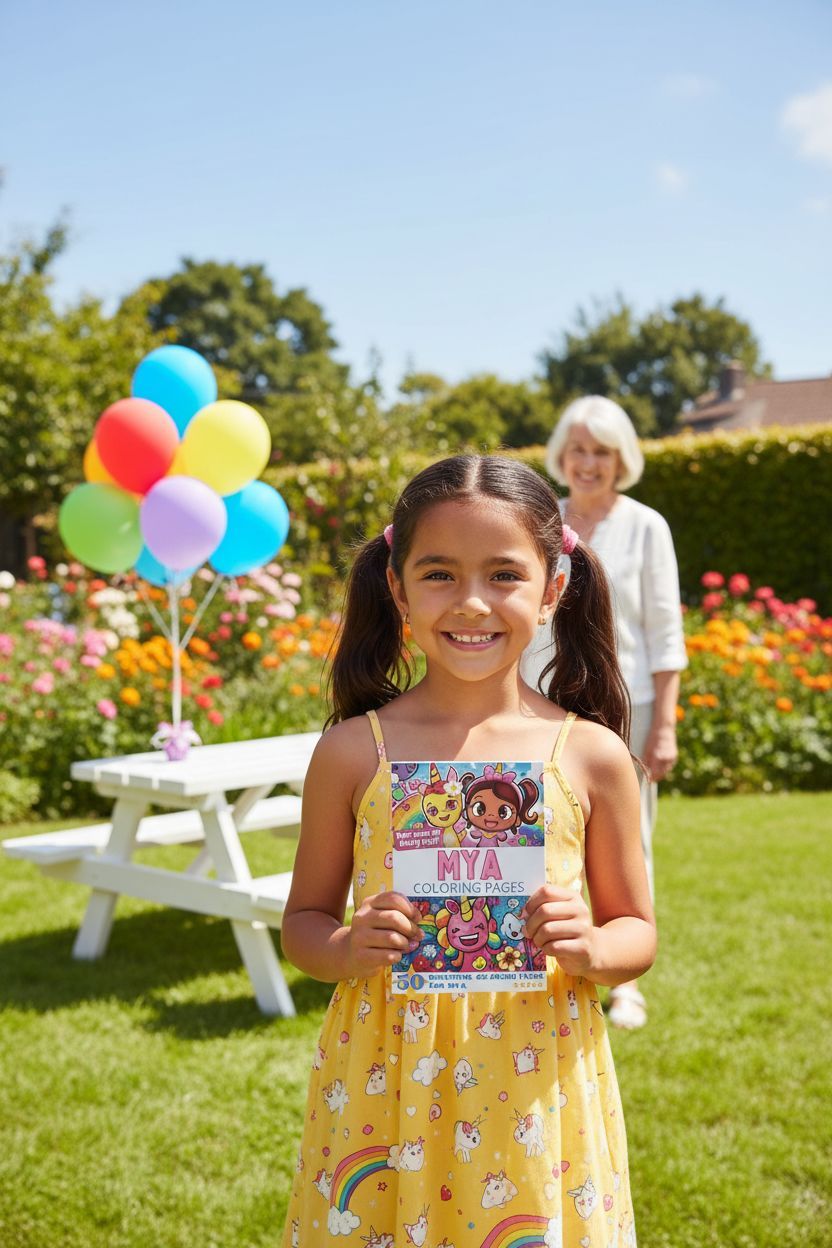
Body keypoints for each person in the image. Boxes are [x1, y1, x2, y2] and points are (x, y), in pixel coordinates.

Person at [280, 455, 656, 1248]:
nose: (472, 602)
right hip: (385, 1078)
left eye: (504, 575)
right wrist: (346, 947)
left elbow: (637, 933)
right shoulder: (355, 753)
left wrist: (591, 946)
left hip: (535, 1079)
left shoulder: (588, 754)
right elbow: (305, 923)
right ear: (398, 587)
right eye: (441, 574)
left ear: (554, 587)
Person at [522, 396, 686, 1031]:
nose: (588, 463)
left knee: (626, 838)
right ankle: (536, 950)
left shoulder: (646, 526)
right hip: (541, 695)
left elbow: (666, 633)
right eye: (578, 449)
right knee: (538, 828)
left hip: (627, 703)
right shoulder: (539, 520)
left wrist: (665, 723)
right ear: (561, 454)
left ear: (623, 459)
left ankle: (623, 978)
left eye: (602, 452)